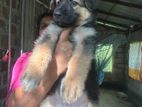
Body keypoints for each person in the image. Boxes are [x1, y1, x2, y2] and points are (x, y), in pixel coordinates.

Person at [7, 12, 73, 107]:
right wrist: (56, 66)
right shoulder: (26, 59)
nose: (49, 30)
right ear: (39, 33)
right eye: (44, 26)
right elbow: (15, 104)